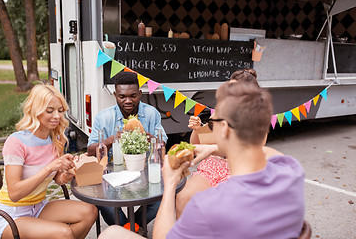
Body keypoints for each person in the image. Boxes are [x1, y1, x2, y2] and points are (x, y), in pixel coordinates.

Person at [98, 81, 305, 239]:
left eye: (213, 122)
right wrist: (215, 147)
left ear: (223, 129)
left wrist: (170, 184)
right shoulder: (290, 170)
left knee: (111, 234)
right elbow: (267, 152)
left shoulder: (208, 206)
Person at [0, 84, 98, 239]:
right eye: (50, 111)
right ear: (35, 111)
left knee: (90, 211)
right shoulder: (16, 142)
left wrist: (67, 173)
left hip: (38, 207)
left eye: (60, 110)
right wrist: (49, 167)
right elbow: (15, 193)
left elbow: (58, 178)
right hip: (11, 214)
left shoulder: (56, 139)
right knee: (64, 233)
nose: (57, 116)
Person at [87, 71, 167, 227]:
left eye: (133, 96)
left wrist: (146, 135)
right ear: (115, 95)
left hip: (145, 172)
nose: (128, 101)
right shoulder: (103, 117)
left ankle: (129, 230)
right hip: (111, 175)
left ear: (140, 94)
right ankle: (130, 231)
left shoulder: (151, 114)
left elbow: (162, 144)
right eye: (122, 97)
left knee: (161, 199)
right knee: (105, 204)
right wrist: (111, 139)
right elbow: (90, 150)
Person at [176, 68, 260, 217]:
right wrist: (197, 129)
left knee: (222, 207)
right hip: (212, 165)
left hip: (238, 170)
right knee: (183, 197)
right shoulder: (218, 111)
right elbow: (198, 145)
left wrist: (215, 148)